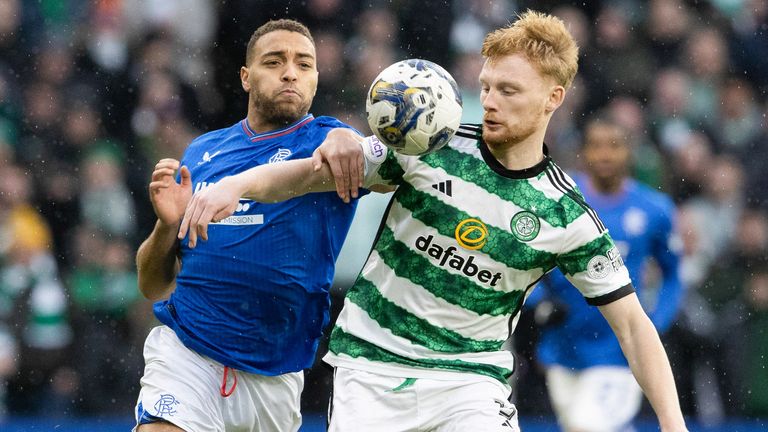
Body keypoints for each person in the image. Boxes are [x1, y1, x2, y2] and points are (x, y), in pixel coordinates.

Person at [178, 11, 688, 432]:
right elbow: (309, 175)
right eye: (486, 86)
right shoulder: (427, 142)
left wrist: (673, 424)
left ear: (554, 98)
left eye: (508, 91)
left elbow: (633, 326)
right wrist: (237, 185)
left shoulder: (565, 215)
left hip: (470, 382)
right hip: (371, 367)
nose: (489, 101)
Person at [133, 19, 363, 432]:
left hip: (275, 374)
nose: (290, 72)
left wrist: (349, 139)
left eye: (303, 64)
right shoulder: (203, 151)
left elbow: (363, 155)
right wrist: (167, 228)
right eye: (274, 62)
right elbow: (152, 285)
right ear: (245, 77)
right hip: (189, 354)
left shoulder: (328, 142)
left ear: (314, 79)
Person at [531, 119, 684, 432]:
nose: (604, 155)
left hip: (619, 353)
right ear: (583, 152)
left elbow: (673, 275)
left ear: (629, 152)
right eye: (595, 145)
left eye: (614, 146)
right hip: (563, 349)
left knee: (585, 426)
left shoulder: (654, 210)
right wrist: (540, 301)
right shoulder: (559, 199)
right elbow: (524, 262)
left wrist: (654, 323)